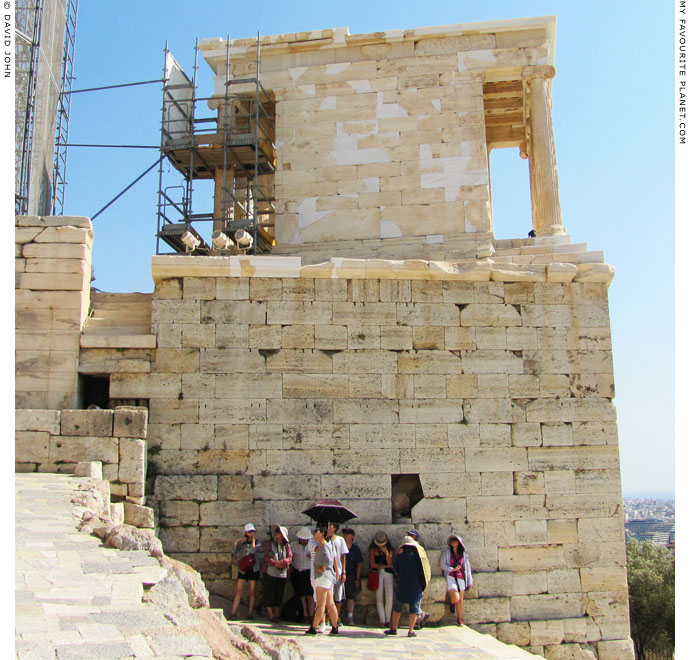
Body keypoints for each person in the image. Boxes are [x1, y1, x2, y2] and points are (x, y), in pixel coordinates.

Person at [384, 535, 430, 638]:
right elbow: (423, 571)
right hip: (415, 586)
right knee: (414, 609)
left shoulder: (400, 557)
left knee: (397, 607)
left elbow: (396, 571)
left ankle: (394, 628)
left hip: (403, 584)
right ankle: (410, 631)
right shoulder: (419, 558)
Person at [306, 526, 340, 635]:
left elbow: (329, 560)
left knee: (321, 604)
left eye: (317, 531)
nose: (314, 533)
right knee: (330, 603)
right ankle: (335, 627)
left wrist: (323, 567)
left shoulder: (324, 545)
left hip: (323, 577)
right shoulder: (323, 545)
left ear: (322, 533)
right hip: (327, 577)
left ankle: (314, 627)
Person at [440, 533, 473, 625]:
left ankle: (459, 618)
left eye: (455, 540)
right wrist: (451, 569)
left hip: (461, 577)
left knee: (461, 599)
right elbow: (442, 564)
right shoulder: (446, 552)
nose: (453, 542)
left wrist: (470, 581)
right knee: (456, 598)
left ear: (459, 542)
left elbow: (467, 568)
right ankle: (452, 602)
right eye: (451, 540)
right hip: (451, 576)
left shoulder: (463, 555)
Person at [230, 523, 261, 620]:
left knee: (252, 592)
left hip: (253, 569)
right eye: (249, 532)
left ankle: (250, 614)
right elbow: (234, 553)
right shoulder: (242, 544)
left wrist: (253, 541)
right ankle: (233, 613)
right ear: (246, 533)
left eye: (253, 531)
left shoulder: (258, 543)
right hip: (243, 569)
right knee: (239, 591)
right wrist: (236, 543)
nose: (251, 533)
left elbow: (253, 551)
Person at [262, 525, 293, 622]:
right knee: (269, 593)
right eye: (275, 532)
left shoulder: (287, 546)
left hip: (281, 574)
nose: (276, 534)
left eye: (278, 533)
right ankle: (271, 615)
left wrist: (283, 562)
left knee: (279, 594)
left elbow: (290, 558)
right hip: (270, 573)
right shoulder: (270, 545)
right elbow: (266, 557)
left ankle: (276, 614)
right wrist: (276, 563)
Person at [368, 531, 394, 628]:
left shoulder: (389, 550)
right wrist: (385, 566)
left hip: (388, 574)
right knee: (379, 597)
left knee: (389, 597)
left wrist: (386, 553)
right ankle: (382, 620)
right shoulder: (372, 549)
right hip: (377, 573)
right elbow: (373, 564)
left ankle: (388, 619)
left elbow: (391, 563)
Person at [405, 530, 430, 629]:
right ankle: (420, 618)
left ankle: (418, 621)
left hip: (417, 580)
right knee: (413, 602)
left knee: (415, 602)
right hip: (412, 579)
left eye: (411, 535)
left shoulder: (418, 549)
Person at [290, 526, 314, 622]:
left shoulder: (313, 545)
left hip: (309, 572)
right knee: (301, 594)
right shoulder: (293, 546)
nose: (305, 541)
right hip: (297, 571)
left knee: (310, 595)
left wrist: (312, 556)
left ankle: (311, 615)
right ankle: (304, 613)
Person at [326, 522, 348, 624]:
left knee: (338, 597)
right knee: (328, 596)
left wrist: (343, 572)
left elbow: (343, 557)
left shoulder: (340, 540)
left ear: (334, 528)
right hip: (327, 571)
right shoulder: (325, 540)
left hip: (338, 571)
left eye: (330, 526)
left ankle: (336, 617)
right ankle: (327, 616)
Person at [341, 527, 363, 625]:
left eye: (348, 533)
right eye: (344, 533)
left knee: (350, 597)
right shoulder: (339, 547)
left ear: (352, 536)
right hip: (339, 575)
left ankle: (350, 618)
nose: (345, 534)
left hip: (351, 576)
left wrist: (357, 578)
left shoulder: (355, 549)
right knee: (338, 597)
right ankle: (336, 617)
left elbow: (359, 564)